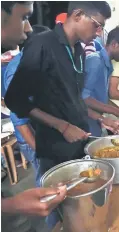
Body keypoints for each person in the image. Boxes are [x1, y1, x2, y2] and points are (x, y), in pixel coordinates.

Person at [1, 1, 66, 218]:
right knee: (46, 189)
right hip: (33, 140)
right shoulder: (18, 70)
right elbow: (20, 118)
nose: (28, 27)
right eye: (24, 17)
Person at [4, 25, 51, 187]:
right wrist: (41, 152)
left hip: (43, 131)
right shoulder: (18, 71)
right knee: (46, 179)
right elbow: (20, 121)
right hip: (31, 137)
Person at [83, 27, 119, 136]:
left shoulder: (107, 65)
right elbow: (83, 98)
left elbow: (101, 97)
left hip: (96, 121)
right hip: (86, 122)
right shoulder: (95, 61)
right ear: (114, 44)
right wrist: (118, 112)